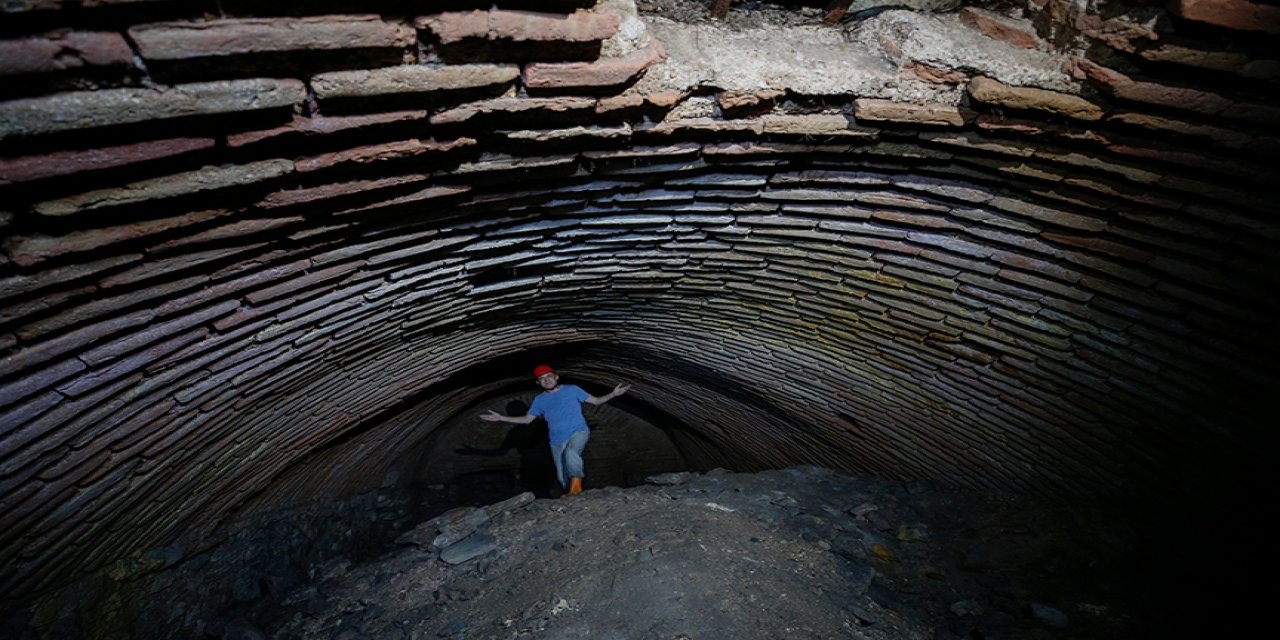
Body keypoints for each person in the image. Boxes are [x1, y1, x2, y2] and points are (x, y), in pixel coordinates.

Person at [479, 365, 630, 496]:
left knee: (571, 453)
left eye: (549, 376)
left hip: (578, 431)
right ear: (538, 383)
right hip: (556, 440)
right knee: (562, 476)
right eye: (542, 379)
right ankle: (571, 495)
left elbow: (596, 401)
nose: (547, 380)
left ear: (556, 377)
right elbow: (527, 419)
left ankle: (576, 489)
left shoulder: (572, 390)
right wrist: (501, 418)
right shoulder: (540, 400)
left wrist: (613, 394)